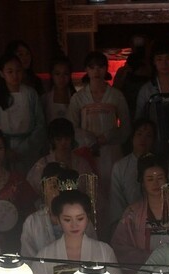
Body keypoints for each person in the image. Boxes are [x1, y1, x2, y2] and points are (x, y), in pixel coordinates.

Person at [68, 50, 131, 201]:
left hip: (111, 151)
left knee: (113, 191)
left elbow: (126, 127)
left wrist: (108, 136)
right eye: (92, 67)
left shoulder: (116, 95)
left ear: (106, 68)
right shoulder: (79, 98)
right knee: (89, 190)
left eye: (100, 67)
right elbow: (72, 127)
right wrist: (89, 140)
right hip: (87, 152)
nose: (96, 71)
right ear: (86, 69)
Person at [111, 154, 169, 274]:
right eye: (150, 179)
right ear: (142, 182)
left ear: (167, 179)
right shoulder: (132, 212)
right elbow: (119, 247)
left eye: (160, 178)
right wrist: (150, 258)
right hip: (144, 272)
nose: (156, 183)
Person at [0, 53, 47, 173]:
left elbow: (40, 125)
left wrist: (24, 148)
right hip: (4, 150)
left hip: (29, 150)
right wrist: (5, 149)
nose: (15, 75)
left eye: (18, 71)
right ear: (2, 73)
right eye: (10, 72)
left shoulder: (30, 94)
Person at [21, 162, 97, 257]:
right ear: (44, 189)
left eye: (61, 187)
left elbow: (94, 253)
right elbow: (29, 259)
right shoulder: (32, 223)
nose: (58, 192)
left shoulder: (82, 219)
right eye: (53, 186)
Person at [109, 119, 157, 236]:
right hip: (128, 223)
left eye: (148, 136)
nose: (143, 139)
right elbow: (116, 201)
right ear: (132, 137)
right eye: (139, 134)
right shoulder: (120, 166)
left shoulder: (159, 165)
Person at [26, 118, 95, 197]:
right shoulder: (42, 165)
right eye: (58, 139)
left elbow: (91, 191)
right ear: (52, 140)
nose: (63, 143)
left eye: (67, 139)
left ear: (72, 139)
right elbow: (31, 192)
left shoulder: (82, 164)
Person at [41, 56, 74, 123]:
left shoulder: (76, 98)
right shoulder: (45, 99)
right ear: (52, 75)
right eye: (57, 74)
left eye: (65, 74)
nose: (61, 78)